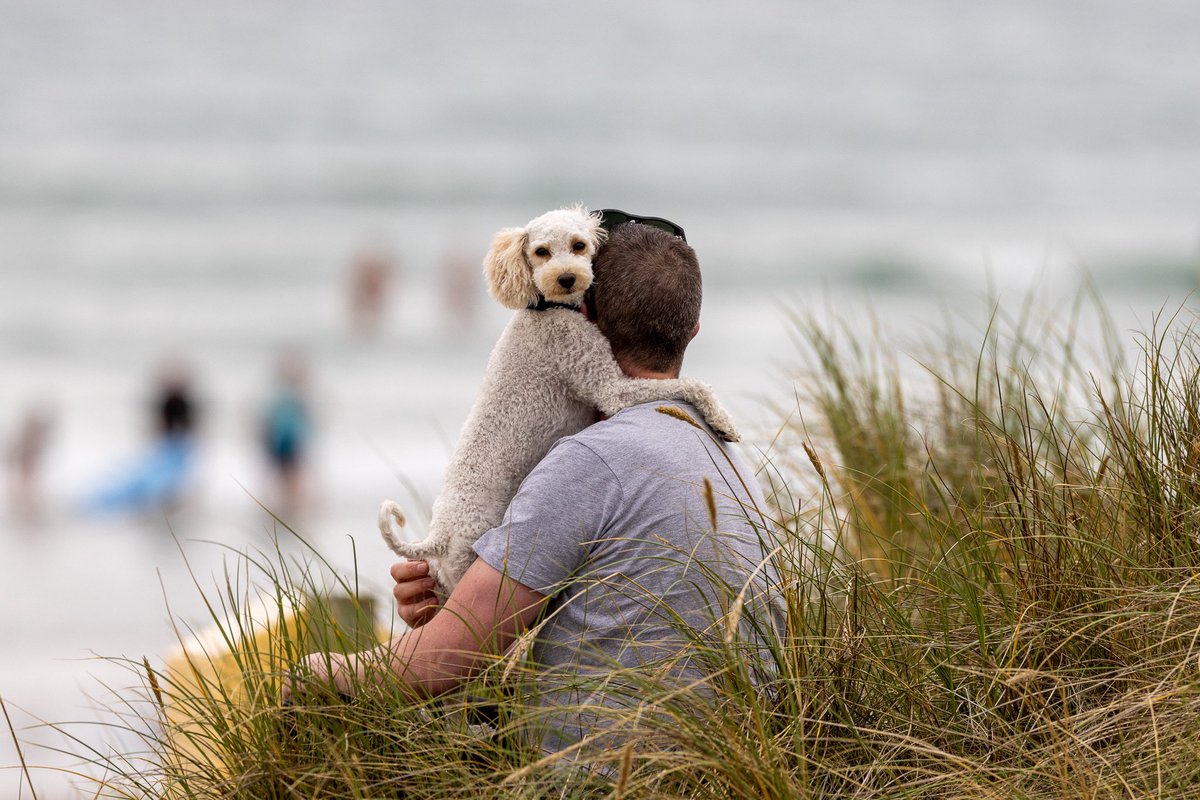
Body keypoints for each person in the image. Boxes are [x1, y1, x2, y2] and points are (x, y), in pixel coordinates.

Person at [289, 215, 778, 758]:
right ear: (691, 332)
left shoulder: (591, 462)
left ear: (584, 312)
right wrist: (450, 603)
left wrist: (310, 672)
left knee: (315, 684)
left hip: (601, 777)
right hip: (728, 765)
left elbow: (443, 663)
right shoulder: (730, 459)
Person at [261, 350, 313, 513]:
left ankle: (290, 503)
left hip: (288, 439)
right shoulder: (285, 396)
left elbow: (303, 421)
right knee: (284, 473)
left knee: (290, 472)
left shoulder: (292, 395)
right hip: (282, 440)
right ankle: (288, 503)